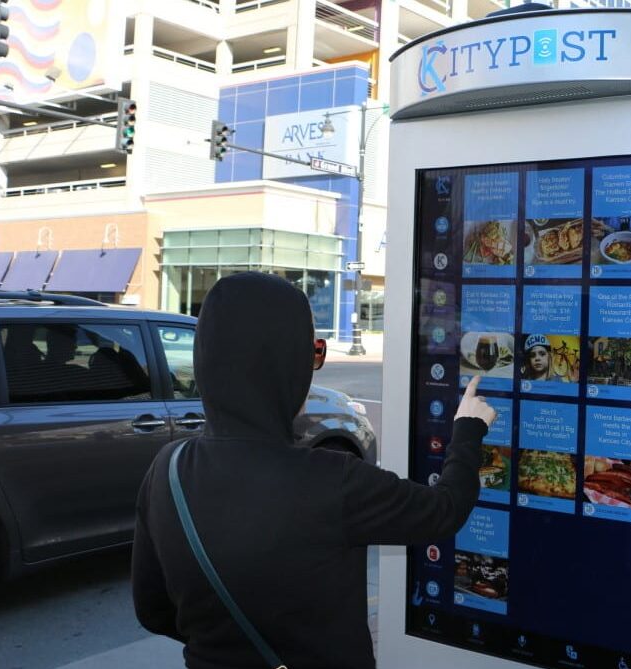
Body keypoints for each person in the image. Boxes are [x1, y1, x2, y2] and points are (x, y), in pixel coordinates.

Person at [131, 272, 496, 669]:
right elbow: (444, 509)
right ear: (285, 365)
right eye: (313, 353)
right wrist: (468, 429)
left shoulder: (167, 469)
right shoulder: (332, 481)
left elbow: (153, 610)